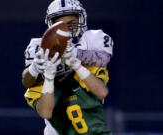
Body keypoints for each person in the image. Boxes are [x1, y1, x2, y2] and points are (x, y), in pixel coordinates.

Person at [22, 0, 113, 134]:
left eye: (71, 22)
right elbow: (27, 81)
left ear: (81, 19)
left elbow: (103, 58)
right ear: (50, 25)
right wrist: (34, 67)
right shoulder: (39, 46)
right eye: (60, 24)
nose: (66, 28)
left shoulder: (92, 38)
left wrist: (76, 54)